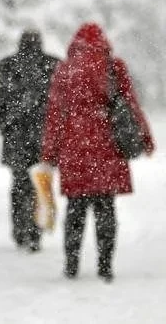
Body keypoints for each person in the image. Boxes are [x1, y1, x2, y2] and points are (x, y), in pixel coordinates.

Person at [41, 22, 155, 282]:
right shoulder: (114, 68)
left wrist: (49, 153)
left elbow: (55, 115)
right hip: (107, 148)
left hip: (74, 149)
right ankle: (105, 265)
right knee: (105, 207)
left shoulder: (65, 70)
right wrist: (145, 138)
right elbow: (131, 105)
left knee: (75, 209)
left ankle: (71, 264)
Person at [0, 29, 59, 252]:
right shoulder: (53, 65)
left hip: (16, 136)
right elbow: (62, 104)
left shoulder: (8, 65)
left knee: (19, 184)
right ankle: (35, 231)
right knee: (40, 183)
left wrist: (5, 126)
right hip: (44, 137)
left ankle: (20, 230)